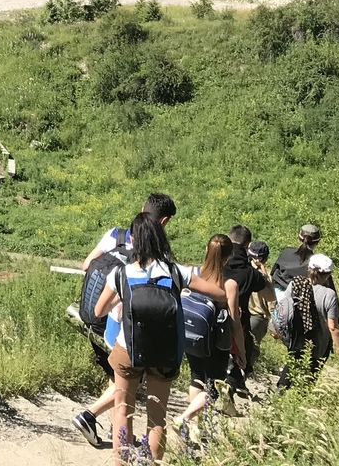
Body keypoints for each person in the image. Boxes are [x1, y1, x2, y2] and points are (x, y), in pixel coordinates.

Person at [94, 211, 230, 461]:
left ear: (133, 240)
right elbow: (219, 294)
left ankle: (120, 462)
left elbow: (98, 310)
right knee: (157, 417)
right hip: (165, 353)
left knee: (123, 410)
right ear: (160, 240)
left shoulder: (121, 274)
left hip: (128, 349)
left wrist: (121, 296)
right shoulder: (177, 272)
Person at [72, 193, 178, 448]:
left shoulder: (115, 235)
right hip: (125, 327)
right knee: (129, 380)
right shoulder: (157, 253)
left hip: (95, 318)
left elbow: (87, 264)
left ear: (142, 208)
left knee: (118, 377)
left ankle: (119, 435)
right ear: (163, 222)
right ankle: (90, 415)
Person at [173, 234, 243, 442]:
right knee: (212, 388)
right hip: (215, 343)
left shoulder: (192, 273)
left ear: (206, 249)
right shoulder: (228, 284)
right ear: (228, 257)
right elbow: (234, 322)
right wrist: (241, 351)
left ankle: (197, 429)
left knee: (196, 378)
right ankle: (185, 418)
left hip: (189, 336)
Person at [272, 252, 339, 385]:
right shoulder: (329, 295)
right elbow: (333, 327)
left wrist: (277, 329)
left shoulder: (295, 284)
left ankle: (280, 392)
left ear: (309, 269)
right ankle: (303, 398)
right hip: (318, 342)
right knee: (311, 376)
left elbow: (282, 308)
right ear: (328, 275)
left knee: (292, 366)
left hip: (296, 337)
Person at [222, 225, 266, 393]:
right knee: (241, 354)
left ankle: (237, 383)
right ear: (248, 245)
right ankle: (231, 385)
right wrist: (262, 270)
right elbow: (268, 292)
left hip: (211, 317)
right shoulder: (249, 273)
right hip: (238, 319)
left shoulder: (216, 264)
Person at [244, 240, 275, 363]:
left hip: (241, 312)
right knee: (252, 350)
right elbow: (272, 302)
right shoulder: (265, 278)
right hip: (258, 318)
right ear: (265, 259)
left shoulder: (243, 270)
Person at [271, 224, 322, 297]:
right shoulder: (317, 263)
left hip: (280, 295)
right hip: (302, 299)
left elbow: (273, 272)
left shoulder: (286, 252)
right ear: (317, 242)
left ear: (299, 238)